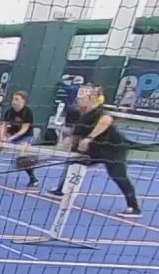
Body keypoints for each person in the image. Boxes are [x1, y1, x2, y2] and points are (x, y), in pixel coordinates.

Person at [49, 85, 142, 217]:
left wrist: (88, 138)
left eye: (82, 98)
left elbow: (106, 121)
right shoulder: (78, 114)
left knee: (118, 176)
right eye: (78, 98)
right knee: (74, 163)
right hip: (96, 149)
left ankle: (134, 207)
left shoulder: (98, 111)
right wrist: (68, 140)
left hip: (113, 149)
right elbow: (75, 133)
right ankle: (61, 190)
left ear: (90, 99)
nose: (79, 100)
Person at [0, 90, 39, 187]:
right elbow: (3, 125)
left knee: (22, 156)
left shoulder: (28, 112)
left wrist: (13, 137)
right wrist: (2, 136)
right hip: (10, 136)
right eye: (13, 99)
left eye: (17, 99)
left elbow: (24, 129)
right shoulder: (9, 111)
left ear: (23, 101)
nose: (14, 101)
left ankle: (33, 179)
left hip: (25, 137)